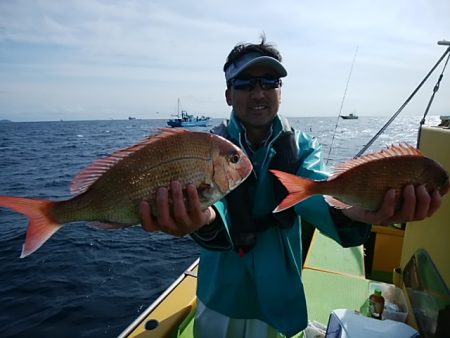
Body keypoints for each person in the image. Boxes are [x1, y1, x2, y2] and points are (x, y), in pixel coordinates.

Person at [139, 36, 442, 337]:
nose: (259, 92)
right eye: (245, 83)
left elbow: (318, 194)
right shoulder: (208, 149)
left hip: (278, 299)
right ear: (229, 94)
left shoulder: (301, 147)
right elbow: (216, 206)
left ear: (280, 92)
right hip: (221, 296)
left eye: (270, 82)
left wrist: (361, 212)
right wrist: (204, 220)